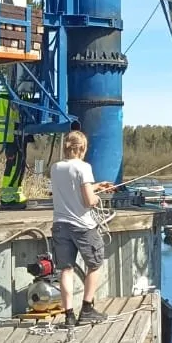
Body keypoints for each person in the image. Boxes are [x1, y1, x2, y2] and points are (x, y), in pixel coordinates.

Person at [50, 129, 115, 327]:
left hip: (60, 225)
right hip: (82, 226)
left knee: (65, 269)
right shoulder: (84, 168)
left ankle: (69, 315)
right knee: (94, 264)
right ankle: (86, 308)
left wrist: (97, 186)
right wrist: (96, 197)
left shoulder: (55, 168)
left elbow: (71, 188)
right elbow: (88, 201)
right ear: (83, 148)